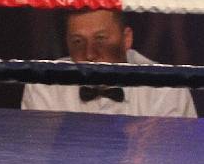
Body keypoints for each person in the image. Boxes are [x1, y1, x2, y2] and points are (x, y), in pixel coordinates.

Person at [22, 10, 196, 118]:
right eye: (78, 41)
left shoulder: (166, 87)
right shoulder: (44, 85)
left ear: (126, 39)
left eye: (100, 39)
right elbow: (37, 159)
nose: (89, 54)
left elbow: (177, 160)